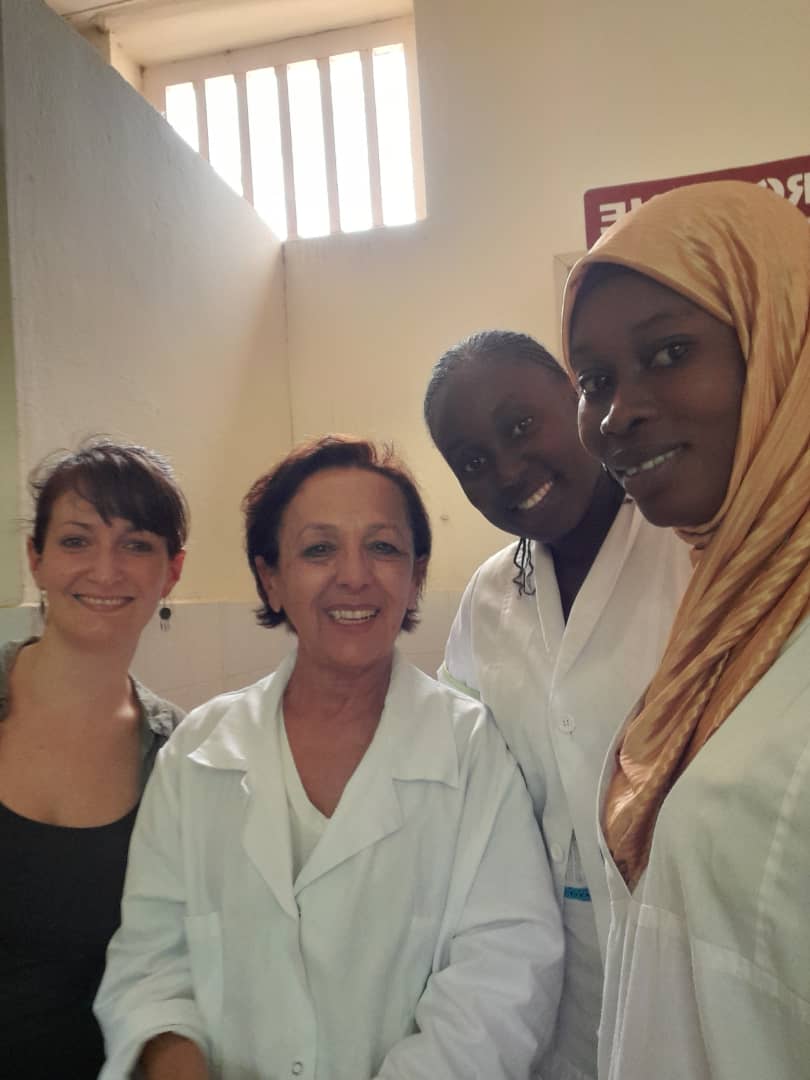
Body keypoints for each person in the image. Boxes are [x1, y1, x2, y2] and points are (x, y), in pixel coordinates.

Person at [95, 434, 564, 1080]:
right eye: (319, 549)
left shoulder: (471, 751)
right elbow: (150, 963)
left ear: (415, 577)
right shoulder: (198, 753)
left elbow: (505, 975)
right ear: (272, 578)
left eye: (383, 547)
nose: (354, 575)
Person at [563, 180, 810, 1078]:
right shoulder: (726, 605)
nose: (615, 413)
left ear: (780, 343)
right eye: (593, 381)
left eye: (669, 352)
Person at [424, 330, 692, 1080]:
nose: (507, 470)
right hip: (555, 989)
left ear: (579, 397)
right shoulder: (487, 598)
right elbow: (462, 770)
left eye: (520, 426)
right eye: (473, 462)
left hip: (694, 966)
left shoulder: (687, 547)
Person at [0, 438, 187, 1080]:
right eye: (77, 541)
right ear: (37, 559)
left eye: (136, 544)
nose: (105, 571)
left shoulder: (181, 756)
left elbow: (176, 966)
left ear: (172, 571)